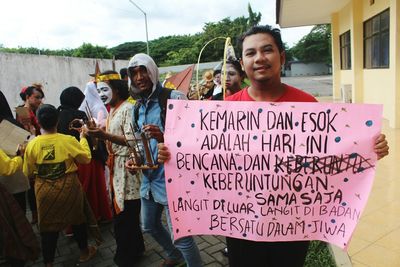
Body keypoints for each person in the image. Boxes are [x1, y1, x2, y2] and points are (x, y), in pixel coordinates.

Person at [158, 25, 389, 267]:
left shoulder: (308, 105)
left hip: (292, 224)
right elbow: (203, 155)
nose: (259, 58)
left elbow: (331, 155)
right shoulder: (226, 109)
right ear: (243, 62)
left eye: (267, 50)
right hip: (242, 224)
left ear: (282, 57)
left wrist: (368, 149)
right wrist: (173, 152)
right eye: (250, 53)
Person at [125, 53, 202, 267]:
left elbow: (195, 138)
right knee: (148, 226)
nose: (139, 77)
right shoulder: (137, 108)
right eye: (134, 73)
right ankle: (173, 254)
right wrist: (134, 159)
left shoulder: (174, 98)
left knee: (182, 237)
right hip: (149, 180)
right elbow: (140, 144)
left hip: (173, 180)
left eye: (143, 70)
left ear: (153, 71)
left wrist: (164, 136)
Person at [23, 104, 99, 267]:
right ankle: (84, 253)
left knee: (47, 227)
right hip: (69, 188)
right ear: (57, 120)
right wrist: (83, 138)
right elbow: (85, 158)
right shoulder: (68, 140)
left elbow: (27, 172)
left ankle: (49, 263)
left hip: (44, 191)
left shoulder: (32, 144)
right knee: (77, 220)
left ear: (38, 121)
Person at [86, 71, 144, 267]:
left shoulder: (127, 108)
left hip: (127, 166)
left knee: (126, 216)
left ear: (117, 90)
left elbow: (132, 141)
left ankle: (127, 257)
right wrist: (98, 136)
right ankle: (136, 249)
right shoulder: (111, 110)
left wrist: (104, 135)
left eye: (105, 89)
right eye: (98, 90)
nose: (101, 94)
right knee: (125, 215)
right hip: (115, 166)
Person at [57, 87, 112, 222]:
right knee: (91, 189)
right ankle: (94, 217)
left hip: (65, 160)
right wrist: (100, 154)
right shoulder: (79, 114)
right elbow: (90, 137)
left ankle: (74, 222)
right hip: (84, 158)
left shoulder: (57, 115)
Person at [0, 148, 40, 267]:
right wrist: (20, 156)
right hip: (12, 185)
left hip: (12, 185)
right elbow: (8, 168)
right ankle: (17, 251)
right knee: (11, 223)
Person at [17, 84, 44, 224]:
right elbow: (30, 134)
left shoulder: (32, 110)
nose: (40, 100)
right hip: (30, 150)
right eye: (37, 97)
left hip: (36, 147)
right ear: (28, 97)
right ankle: (35, 215)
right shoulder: (23, 112)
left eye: (41, 97)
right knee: (33, 185)